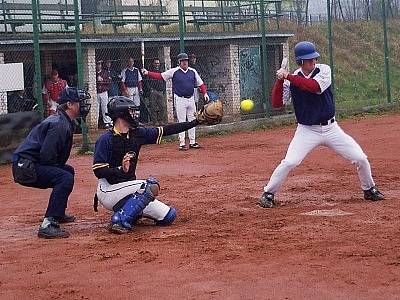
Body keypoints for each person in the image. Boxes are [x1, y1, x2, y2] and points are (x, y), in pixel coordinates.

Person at [259, 41, 384, 208]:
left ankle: (369, 189)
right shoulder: (293, 78)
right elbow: (277, 103)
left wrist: (288, 76)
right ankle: (268, 193)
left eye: (314, 59)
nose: (313, 62)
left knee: (360, 158)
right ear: (301, 62)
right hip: (307, 130)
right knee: (290, 162)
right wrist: (280, 80)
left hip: (331, 128)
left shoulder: (323, 70)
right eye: (309, 60)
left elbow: (314, 87)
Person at [92, 96, 210, 234]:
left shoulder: (137, 134)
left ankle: (133, 212)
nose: (134, 114)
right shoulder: (106, 139)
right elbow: (99, 172)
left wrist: (195, 122)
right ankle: (119, 220)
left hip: (129, 190)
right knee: (148, 186)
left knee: (168, 216)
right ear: (121, 114)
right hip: (108, 190)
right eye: (130, 111)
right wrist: (120, 169)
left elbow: (166, 130)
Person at [12, 87, 91, 238]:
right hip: (25, 167)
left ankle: (58, 212)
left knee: (68, 172)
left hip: (29, 164)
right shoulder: (59, 123)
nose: (83, 105)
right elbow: (47, 155)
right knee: (64, 177)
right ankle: (48, 223)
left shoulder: (64, 120)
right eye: (80, 102)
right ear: (69, 104)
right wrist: (56, 170)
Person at [142, 53, 210, 151]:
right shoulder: (174, 71)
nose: (185, 62)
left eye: (186, 60)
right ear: (179, 62)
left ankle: (192, 142)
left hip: (190, 98)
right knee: (181, 121)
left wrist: (205, 93)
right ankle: (182, 143)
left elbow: (201, 84)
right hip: (180, 99)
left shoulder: (192, 71)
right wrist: (148, 73)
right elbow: (160, 76)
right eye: (183, 61)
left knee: (193, 120)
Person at [143, 58, 167, 125]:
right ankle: (155, 121)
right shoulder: (150, 71)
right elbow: (146, 81)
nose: (157, 65)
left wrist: (164, 89)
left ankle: (160, 120)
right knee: (153, 107)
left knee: (162, 106)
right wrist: (150, 89)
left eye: (158, 63)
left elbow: (164, 80)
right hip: (153, 91)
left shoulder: (161, 71)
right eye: (155, 63)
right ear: (153, 64)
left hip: (160, 91)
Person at [96, 61, 113, 129]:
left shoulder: (105, 72)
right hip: (96, 92)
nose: (98, 66)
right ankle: (95, 123)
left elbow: (109, 81)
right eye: (97, 64)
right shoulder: (93, 73)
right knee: (96, 108)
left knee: (105, 107)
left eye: (99, 64)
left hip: (103, 92)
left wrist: (102, 80)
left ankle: (106, 122)